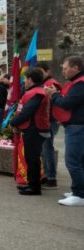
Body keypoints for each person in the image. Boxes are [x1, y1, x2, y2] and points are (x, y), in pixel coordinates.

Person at [45, 55, 84, 206]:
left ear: (76, 68)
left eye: (66, 68)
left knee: (73, 162)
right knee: (80, 161)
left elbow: (67, 103)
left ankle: (79, 195)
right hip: (76, 126)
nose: (63, 71)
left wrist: (53, 95)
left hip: (77, 127)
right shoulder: (77, 83)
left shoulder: (80, 84)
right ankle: (78, 191)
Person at [10, 68, 49, 195]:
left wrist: (13, 122)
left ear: (31, 80)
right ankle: (32, 183)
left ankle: (34, 187)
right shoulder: (35, 91)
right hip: (32, 128)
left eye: (25, 79)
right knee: (31, 158)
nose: (24, 81)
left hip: (34, 129)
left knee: (32, 158)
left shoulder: (37, 93)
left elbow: (27, 112)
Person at [37, 62, 60, 189]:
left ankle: (51, 178)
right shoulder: (43, 83)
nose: (39, 75)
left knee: (47, 149)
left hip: (50, 120)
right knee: (44, 150)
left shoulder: (52, 83)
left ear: (47, 71)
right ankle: (46, 175)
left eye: (41, 72)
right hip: (45, 120)